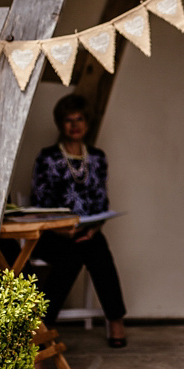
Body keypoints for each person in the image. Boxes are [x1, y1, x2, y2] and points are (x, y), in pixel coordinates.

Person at [30, 94, 127, 348]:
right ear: (60, 124)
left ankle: (114, 319)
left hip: (87, 232)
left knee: (97, 248)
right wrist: (62, 228)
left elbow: (101, 200)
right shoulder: (48, 157)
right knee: (75, 254)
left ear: (87, 123)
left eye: (80, 119)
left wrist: (94, 228)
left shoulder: (97, 157)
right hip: (53, 233)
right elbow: (38, 201)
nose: (75, 125)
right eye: (68, 120)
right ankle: (44, 325)